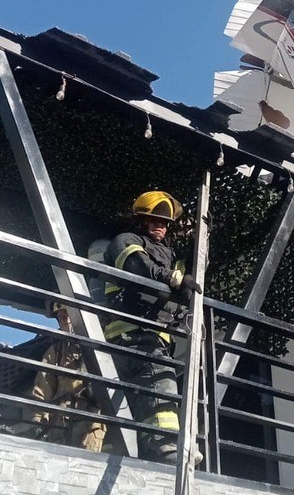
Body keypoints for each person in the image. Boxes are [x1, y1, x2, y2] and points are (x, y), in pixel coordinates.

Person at [103, 190, 202, 462]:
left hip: (153, 336)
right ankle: (167, 448)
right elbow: (138, 267)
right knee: (161, 383)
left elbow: (182, 282)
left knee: (137, 402)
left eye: (165, 223)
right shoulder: (126, 241)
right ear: (141, 221)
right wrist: (173, 279)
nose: (161, 226)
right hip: (132, 333)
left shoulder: (170, 256)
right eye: (155, 221)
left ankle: (136, 454)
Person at [27, 304, 106, 451]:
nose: (64, 320)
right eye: (61, 317)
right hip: (59, 423)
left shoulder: (96, 347)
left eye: (67, 315)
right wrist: (37, 421)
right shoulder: (55, 352)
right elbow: (42, 389)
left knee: (87, 463)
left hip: (89, 420)